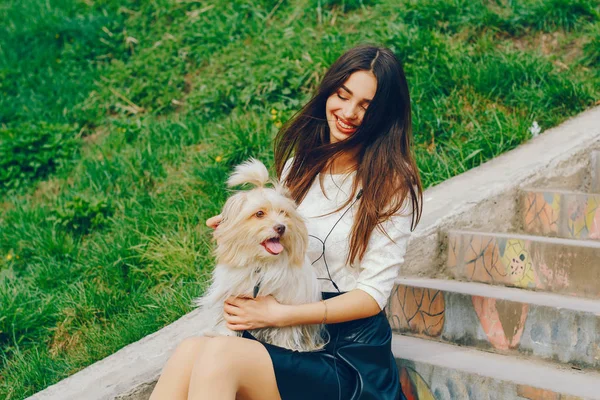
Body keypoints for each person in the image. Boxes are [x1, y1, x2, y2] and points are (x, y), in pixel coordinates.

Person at [150, 44, 423, 400]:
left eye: (366, 107)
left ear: (384, 115)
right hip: (293, 335)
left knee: (220, 354)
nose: (349, 112)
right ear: (329, 92)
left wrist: (281, 315)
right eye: (342, 96)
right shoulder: (300, 167)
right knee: (190, 350)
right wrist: (243, 229)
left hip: (349, 357)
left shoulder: (392, 185)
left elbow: (372, 296)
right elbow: (283, 243)